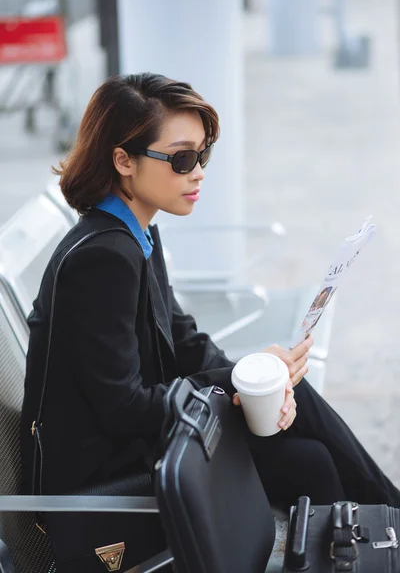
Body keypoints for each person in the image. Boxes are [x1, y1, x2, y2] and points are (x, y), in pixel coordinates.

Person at [20, 73, 400, 566]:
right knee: (302, 428)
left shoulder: (137, 234)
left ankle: (382, 530)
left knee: (308, 448)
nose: (198, 172)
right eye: (182, 158)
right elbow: (124, 408)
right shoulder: (103, 259)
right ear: (123, 160)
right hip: (103, 486)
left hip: (150, 449)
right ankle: (390, 518)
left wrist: (259, 384)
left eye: (203, 155)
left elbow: (185, 341)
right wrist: (241, 386)